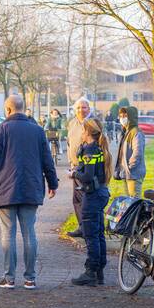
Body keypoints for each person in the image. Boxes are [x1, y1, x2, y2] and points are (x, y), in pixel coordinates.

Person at [0, 94, 59, 290]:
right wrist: (53, 183)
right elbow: (47, 160)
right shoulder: (37, 131)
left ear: (7, 110)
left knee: (8, 234)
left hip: (5, 190)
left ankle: (9, 278)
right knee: (30, 233)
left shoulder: (0, 130)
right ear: (22, 108)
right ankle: (30, 278)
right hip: (31, 188)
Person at [71, 118, 113, 286]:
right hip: (101, 192)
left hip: (92, 196)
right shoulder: (99, 148)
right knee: (98, 233)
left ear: (87, 133)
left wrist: (74, 173)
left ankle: (91, 272)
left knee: (90, 235)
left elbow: (87, 176)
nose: (81, 134)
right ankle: (99, 272)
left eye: (83, 131)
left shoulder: (90, 150)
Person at [65, 97, 92, 238]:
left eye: (84, 107)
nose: (81, 110)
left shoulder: (92, 124)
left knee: (86, 199)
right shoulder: (72, 123)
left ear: (89, 109)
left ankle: (88, 228)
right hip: (75, 167)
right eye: (78, 108)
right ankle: (81, 227)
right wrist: (70, 162)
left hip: (87, 167)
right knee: (76, 199)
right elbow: (69, 143)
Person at [115, 105, 146, 198]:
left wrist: (129, 167)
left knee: (135, 202)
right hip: (126, 173)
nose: (122, 118)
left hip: (133, 174)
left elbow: (137, 153)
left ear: (131, 117)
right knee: (129, 203)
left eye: (125, 116)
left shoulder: (136, 132)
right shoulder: (125, 132)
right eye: (120, 116)